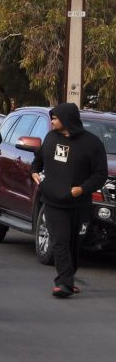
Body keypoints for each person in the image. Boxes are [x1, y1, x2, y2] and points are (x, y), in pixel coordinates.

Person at [31, 103, 107, 298]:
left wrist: (82, 189)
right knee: (60, 240)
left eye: (55, 118)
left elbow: (100, 174)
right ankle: (64, 283)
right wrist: (34, 173)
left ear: (67, 120)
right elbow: (37, 160)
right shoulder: (50, 138)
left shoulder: (92, 143)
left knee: (74, 242)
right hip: (53, 200)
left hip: (79, 203)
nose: (52, 121)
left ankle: (68, 277)